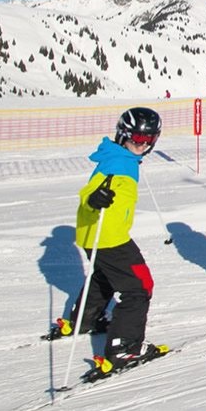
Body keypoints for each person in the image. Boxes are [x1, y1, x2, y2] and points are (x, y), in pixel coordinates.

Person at [46, 107, 166, 379]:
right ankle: (124, 348)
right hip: (110, 239)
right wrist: (93, 200)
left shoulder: (121, 156)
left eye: (149, 140)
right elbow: (90, 192)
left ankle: (83, 321)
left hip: (95, 237)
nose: (142, 145)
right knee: (139, 286)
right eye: (137, 139)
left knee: (104, 276)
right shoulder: (117, 163)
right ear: (124, 134)